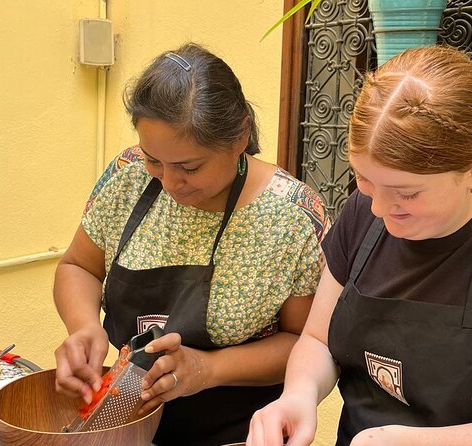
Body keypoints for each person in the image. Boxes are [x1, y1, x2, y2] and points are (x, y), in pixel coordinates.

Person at [246, 45, 472, 446]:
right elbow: (318, 339)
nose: (378, 207)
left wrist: (408, 441)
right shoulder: (365, 211)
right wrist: (298, 396)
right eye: (363, 179)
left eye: (407, 193)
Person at [52, 42, 330, 446]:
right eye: (154, 160)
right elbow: (79, 266)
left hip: (243, 432)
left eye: (189, 167)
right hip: (128, 417)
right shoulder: (128, 175)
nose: (168, 182)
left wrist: (209, 368)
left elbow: (307, 343)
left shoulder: (290, 216)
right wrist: (84, 326)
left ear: (240, 137)